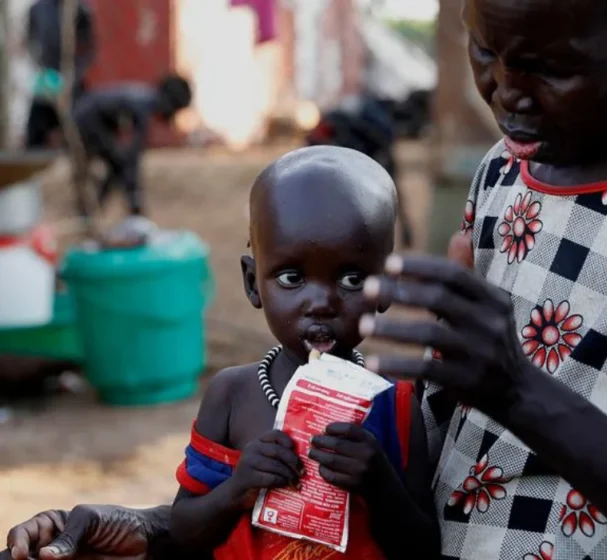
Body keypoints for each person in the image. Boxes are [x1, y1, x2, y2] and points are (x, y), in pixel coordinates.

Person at [2, 0, 607, 558]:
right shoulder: (509, 172)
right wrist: (119, 527)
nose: (509, 95)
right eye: (487, 52)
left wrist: (517, 391)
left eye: (553, 65)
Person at [170, 146, 437, 559]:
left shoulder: (397, 407)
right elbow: (181, 534)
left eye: (352, 279)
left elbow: (424, 550)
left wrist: (380, 484)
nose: (321, 303)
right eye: (292, 277)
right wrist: (238, 489)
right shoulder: (231, 396)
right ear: (252, 282)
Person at [71, 75, 192, 217]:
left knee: (118, 163)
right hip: (86, 121)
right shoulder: (143, 105)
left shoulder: (144, 98)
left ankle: (94, 208)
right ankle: (101, 209)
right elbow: (133, 156)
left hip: (88, 118)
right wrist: (135, 194)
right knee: (120, 162)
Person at [25, 0, 96, 149]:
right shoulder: (38, 9)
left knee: (81, 124)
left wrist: (74, 74)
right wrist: (41, 68)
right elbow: (30, 41)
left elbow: (90, 48)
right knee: (36, 127)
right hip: (46, 77)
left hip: (71, 79)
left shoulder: (80, 9)